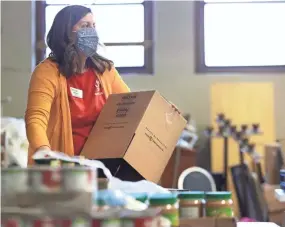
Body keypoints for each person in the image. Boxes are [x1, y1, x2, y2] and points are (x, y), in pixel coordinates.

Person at [25, 5, 130, 165]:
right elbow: (36, 118)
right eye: (85, 26)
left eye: (93, 26)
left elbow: (132, 105)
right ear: (66, 32)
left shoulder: (105, 70)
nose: (92, 31)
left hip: (101, 165)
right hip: (63, 166)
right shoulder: (47, 72)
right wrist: (44, 152)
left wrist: (159, 111)